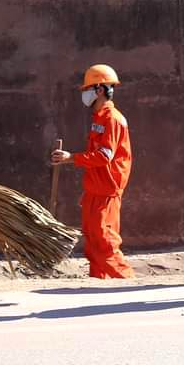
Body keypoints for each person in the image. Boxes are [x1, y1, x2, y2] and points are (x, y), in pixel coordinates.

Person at [51, 64, 135, 279]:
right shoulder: (99, 118)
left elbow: (104, 157)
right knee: (93, 241)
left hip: (106, 190)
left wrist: (71, 158)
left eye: (86, 90)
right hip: (94, 189)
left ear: (99, 90)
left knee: (105, 242)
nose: (83, 94)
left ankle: (126, 284)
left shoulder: (112, 119)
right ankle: (99, 284)